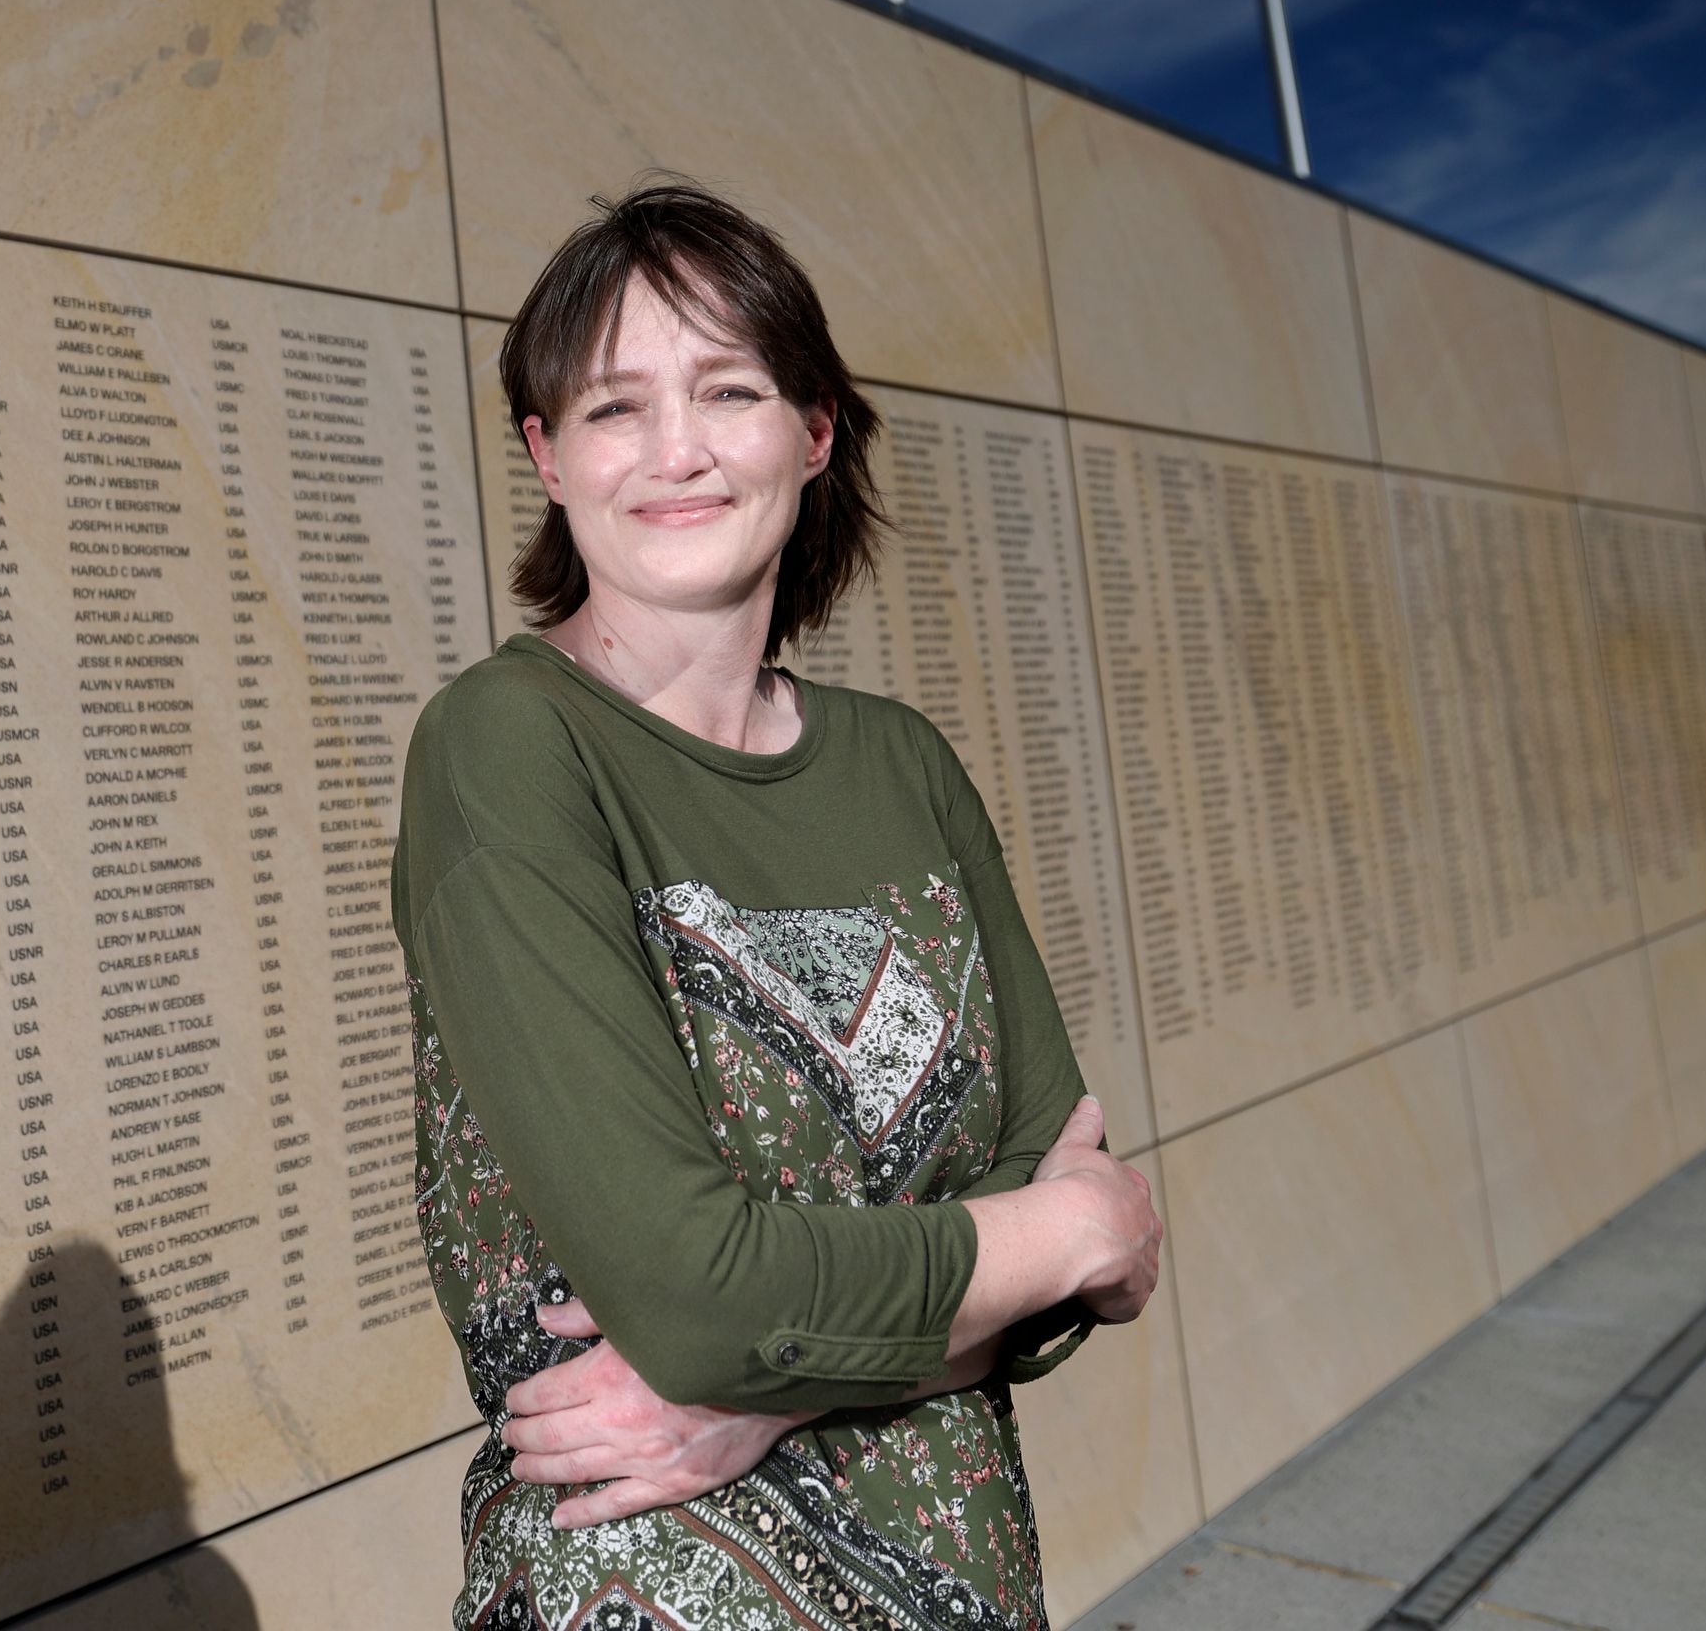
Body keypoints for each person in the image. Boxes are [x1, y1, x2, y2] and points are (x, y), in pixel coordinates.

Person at [392, 179, 1162, 1631]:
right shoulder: (506, 748)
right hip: (649, 1580)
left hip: (967, 1580)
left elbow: (1070, 1241)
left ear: (814, 434)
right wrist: (1056, 1242)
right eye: (614, 408)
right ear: (548, 458)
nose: (674, 451)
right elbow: (701, 1295)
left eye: (727, 390)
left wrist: (760, 1398)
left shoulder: (902, 765)